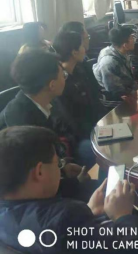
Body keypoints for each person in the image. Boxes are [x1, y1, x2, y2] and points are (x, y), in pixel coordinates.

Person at [0, 126, 138, 254]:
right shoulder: (65, 218)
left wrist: (89, 213)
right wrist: (122, 215)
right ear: (39, 172)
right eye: (58, 164)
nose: (60, 169)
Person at [0, 51, 92, 186]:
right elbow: (34, 181)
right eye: (63, 75)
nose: (65, 78)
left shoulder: (44, 100)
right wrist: (75, 184)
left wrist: (62, 167)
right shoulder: (22, 125)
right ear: (52, 85)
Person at [53, 31, 106, 146]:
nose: (85, 49)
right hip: (79, 137)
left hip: (97, 126)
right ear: (74, 52)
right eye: (82, 46)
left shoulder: (80, 70)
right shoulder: (60, 81)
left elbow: (94, 100)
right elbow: (70, 121)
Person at [93, 27, 138, 106]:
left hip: (127, 92)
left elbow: (130, 81)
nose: (134, 40)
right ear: (125, 45)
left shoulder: (122, 52)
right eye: (132, 38)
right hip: (116, 101)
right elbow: (115, 91)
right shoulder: (108, 62)